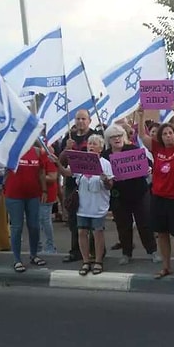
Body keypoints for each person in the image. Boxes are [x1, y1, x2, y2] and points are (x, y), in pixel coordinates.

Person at [138, 102, 174, 280]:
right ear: (161, 137)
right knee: (162, 234)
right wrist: (140, 115)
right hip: (159, 198)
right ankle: (166, 266)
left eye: (170, 133)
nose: (168, 135)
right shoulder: (157, 149)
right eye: (165, 133)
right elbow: (142, 135)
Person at [52, 134, 113, 275]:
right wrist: (58, 163)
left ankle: (98, 261)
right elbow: (67, 173)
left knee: (97, 232)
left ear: (101, 148)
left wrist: (105, 180)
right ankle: (86, 261)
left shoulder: (105, 164)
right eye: (90, 143)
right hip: (83, 205)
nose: (91, 146)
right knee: (82, 232)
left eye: (94, 144)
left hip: (98, 205)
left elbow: (110, 185)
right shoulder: (80, 161)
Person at [102, 124, 159, 265]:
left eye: (119, 135)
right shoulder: (105, 156)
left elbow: (149, 164)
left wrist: (149, 170)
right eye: (113, 137)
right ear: (108, 140)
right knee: (123, 225)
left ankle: (152, 251)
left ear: (124, 137)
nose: (117, 139)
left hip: (139, 192)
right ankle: (126, 253)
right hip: (118, 195)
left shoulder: (133, 149)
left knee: (144, 223)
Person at [59, 109, 98, 263]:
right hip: (72, 184)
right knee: (74, 220)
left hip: (91, 184)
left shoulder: (95, 136)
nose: (80, 121)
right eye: (78, 118)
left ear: (89, 120)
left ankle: (95, 251)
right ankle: (76, 251)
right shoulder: (68, 137)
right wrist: (66, 149)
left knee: (93, 219)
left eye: (83, 118)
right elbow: (61, 161)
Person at [4, 146, 48, 273]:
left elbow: (41, 171)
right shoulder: (12, 149)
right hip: (14, 195)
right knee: (17, 227)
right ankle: (17, 259)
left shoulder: (37, 151)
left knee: (34, 226)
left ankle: (34, 255)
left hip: (32, 195)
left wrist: (44, 190)